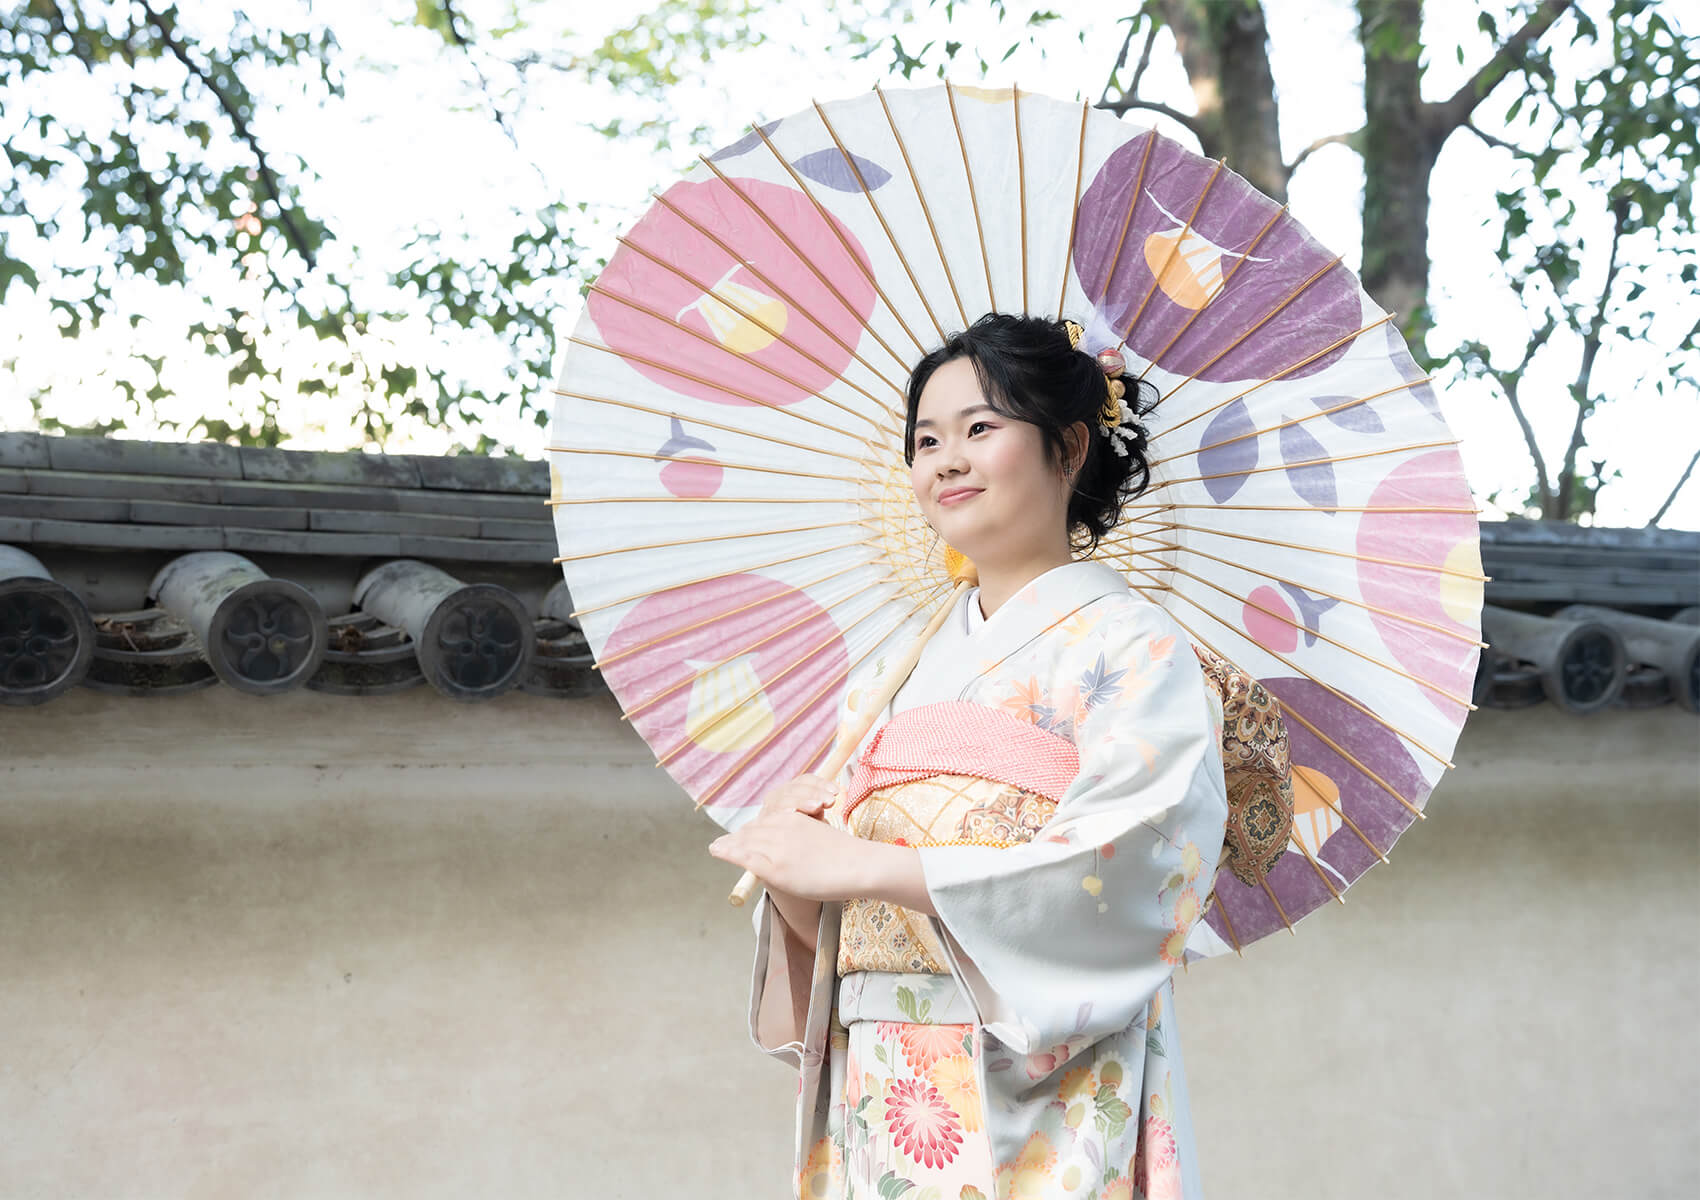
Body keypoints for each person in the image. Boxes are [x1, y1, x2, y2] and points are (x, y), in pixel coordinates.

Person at [710, 312, 1229, 1200]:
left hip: (1050, 1086)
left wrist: (872, 864)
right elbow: (843, 925)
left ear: (1069, 448)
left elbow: (1134, 864)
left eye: (979, 429)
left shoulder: (1133, 647)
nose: (946, 460)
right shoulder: (888, 678)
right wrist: (799, 879)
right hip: (884, 1079)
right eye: (926, 441)